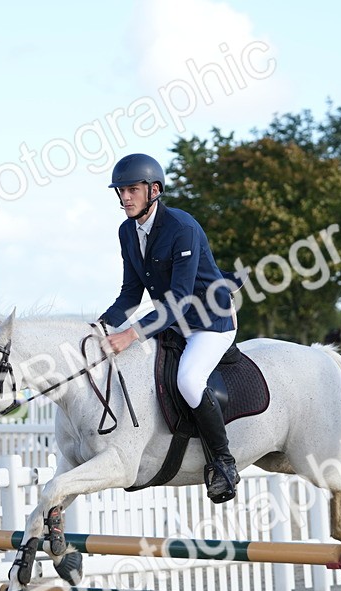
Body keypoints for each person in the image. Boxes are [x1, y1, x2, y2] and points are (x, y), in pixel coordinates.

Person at [97, 153, 241, 503]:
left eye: (132, 189)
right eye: (121, 191)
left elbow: (178, 299)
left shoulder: (182, 227)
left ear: (154, 190)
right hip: (173, 325)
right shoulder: (127, 231)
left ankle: (223, 462)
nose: (125, 197)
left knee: (188, 380)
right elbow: (131, 293)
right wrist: (99, 328)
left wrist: (131, 334)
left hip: (210, 322)